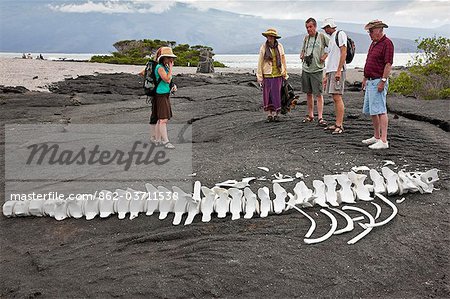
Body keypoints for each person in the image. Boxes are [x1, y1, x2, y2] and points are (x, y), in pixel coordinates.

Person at [361, 20, 394, 150]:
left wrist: (383, 80)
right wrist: (365, 78)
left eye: (371, 31)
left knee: (380, 110)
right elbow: (369, 60)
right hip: (370, 80)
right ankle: (376, 136)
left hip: (378, 80)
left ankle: (384, 140)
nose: (369, 33)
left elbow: (388, 64)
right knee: (373, 111)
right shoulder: (373, 43)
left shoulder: (387, 43)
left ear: (379, 30)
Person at [139, 47, 177, 149]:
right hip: (160, 96)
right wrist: (171, 68)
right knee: (163, 119)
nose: (171, 60)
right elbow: (167, 79)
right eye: (169, 58)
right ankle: (166, 142)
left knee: (159, 119)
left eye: (171, 58)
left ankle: (157, 140)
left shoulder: (164, 67)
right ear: (163, 58)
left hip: (163, 94)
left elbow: (168, 81)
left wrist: (173, 86)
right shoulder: (160, 67)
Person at [300, 17, 329, 126]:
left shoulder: (321, 36)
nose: (308, 29)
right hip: (306, 69)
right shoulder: (306, 38)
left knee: (318, 94)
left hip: (317, 69)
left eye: (310, 27)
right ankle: (310, 115)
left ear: (315, 27)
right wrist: (302, 55)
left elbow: (331, 47)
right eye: (307, 27)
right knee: (308, 93)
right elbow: (303, 50)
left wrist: (325, 55)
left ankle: (320, 117)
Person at [257, 28, 288, 122]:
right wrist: (259, 76)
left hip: (278, 74)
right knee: (268, 95)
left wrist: (285, 73)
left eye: (271, 36)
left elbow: (283, 60)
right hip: (267, 74)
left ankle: (276, 114)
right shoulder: (263, 47)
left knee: (277, 94)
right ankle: (269, 114)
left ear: (274, 37)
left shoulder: (280, 46)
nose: (269, 37)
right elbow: (260, 62)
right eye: (268, 36)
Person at [322, 18, 347, 134]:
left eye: (327, 27)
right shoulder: (331, 38)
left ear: (332, 26)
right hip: (332, 70)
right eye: (325, 28)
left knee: (337, 97)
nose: (326, 30)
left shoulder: (340, 34)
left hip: (338, 70)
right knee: (334, 97)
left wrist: (338, 70)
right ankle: (337, 123)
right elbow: (331, 57)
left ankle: (340, 125)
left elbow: (343, 52)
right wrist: (327, 75)